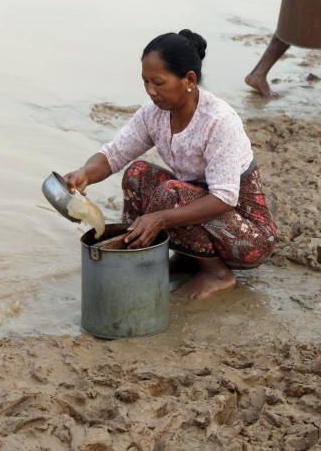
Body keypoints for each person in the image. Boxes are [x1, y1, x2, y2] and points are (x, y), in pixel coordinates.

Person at [64, 30, 278, 300]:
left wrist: (160, 218)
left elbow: (224, 198)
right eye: (145, 82)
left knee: (171, 195)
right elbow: (114, 153)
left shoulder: (218, 120)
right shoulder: (153, 115)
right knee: (137, 174)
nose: (151, 91)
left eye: (158, 83)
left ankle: (217, 274)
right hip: (201, 217)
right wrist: (84, 173)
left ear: (188, 80)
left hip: (246, 236)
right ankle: (173, 257)